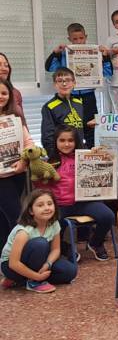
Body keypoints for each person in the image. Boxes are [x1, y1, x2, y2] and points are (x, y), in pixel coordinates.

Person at [33, 126, 115, 261]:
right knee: (51, 226)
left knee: (107, 216)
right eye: (62, 140)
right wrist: (39, 177)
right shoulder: (50, 163)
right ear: (56, 142)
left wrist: (97, 155)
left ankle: (95, 243)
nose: (66, 144)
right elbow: (42, 187)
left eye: (70, 140)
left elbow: (104, 168)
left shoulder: (85, 157)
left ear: (76, 141)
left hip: (85, 202)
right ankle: (64, 248)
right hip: (60, 204)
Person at [45, 23, 110, 147]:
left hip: (88, 96)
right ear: (69, 39)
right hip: (71, 97)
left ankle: (92, 152)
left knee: (91, 126)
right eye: (75, 39)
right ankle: (72, 158)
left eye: (81, 38)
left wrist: (105, 57)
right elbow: (49, 68)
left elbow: (108, 72)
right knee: (71, 128)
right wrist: (55, 53)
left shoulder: (95, 53)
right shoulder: (64, 54)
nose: (79, 41)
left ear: (86, 37)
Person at [1, 189, 77, 292]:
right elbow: (13, 263)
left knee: (70, 272)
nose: (46, 208)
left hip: (38, 260)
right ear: (31, 211)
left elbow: (56, 250)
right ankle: (33, 282)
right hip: (11, 266)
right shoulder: (24, 231)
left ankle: (20, 280)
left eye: (50, 204)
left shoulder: (54, 224)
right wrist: (36, 277)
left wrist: (48, 264)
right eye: (40, 205)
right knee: (40, 243)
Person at [0, 79, 33, 249]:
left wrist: (23, 161)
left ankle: (7, 258)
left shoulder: (16, 117)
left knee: (5, 219)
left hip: (18, 173)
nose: (1, 96)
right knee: (15, 216)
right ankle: (20, 255)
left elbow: (28, 143)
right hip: (1, 179)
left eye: (4, 93)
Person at [41, 68, 86, 155]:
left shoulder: (79, 102)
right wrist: (53, 156)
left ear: (74, 83)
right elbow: (47, 136)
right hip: (61, 154)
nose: (64, 84)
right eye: (60, 81)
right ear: (55, 84)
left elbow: (84, 128)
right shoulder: (49, 107)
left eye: (68, 80)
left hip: (79, 152)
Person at [0, 53, 25, 120]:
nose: (4, 68)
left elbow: (22, 122)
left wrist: (25, 129)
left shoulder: (15, 93)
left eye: (6, 65)